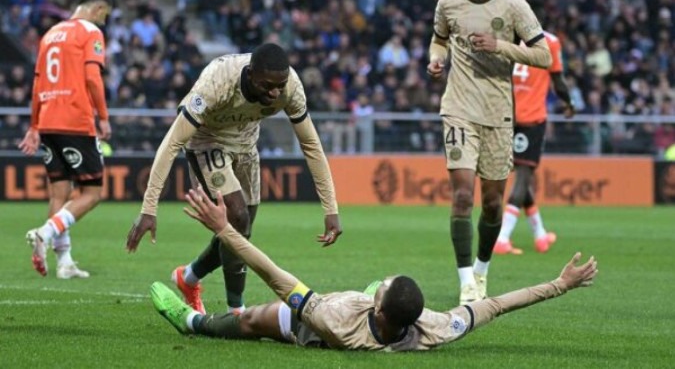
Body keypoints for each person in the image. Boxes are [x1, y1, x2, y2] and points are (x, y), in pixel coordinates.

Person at [150, 185, 597, 351]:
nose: (383, 282)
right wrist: (558, 284)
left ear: (380, 309)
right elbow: (496, 304)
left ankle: (190, 321)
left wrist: (227, 231)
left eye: (383, 289)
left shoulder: (334, 320)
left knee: (252, 320)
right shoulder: (435, 327)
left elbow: (276, 275)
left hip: (311, 323)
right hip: (366, 314)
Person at [126, 42, 342, 315]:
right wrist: (149, 208)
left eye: (280, 85)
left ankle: (189, 277)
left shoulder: (290, 87)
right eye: (267, 85)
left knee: (243, 229)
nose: (275, 92)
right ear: (250, 74)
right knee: (237, 218)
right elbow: (171, 143)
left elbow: (312, 145)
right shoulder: (217, 80)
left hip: (247, 145)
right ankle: (236, 311)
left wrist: (331, 208)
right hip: (207, 142)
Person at [426, 0, 553, 305]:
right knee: (463, 195)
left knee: (494, 203)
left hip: (498, 115)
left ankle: (482, 270)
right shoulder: (448, 3)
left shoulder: (514, 6)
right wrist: (436, 59)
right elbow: (439, 39)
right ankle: (466, 282)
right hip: (458, 109)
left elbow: (544, 56)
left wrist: (501, 46)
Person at [20, 0, 113, 279]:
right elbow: (92, 77)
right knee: (93, 192)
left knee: (60, 192)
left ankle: (64, 263)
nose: (103, 22)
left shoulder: (50, 35)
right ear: (98, 9)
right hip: (75, 119)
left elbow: (36, 84)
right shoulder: (90, 32)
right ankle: (45, 233)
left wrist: (34, 125)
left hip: (47, 120)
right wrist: (104, 117)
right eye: (105, 16)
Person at [494, 31, 575, 255]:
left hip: (506, 116)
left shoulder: (506, 38)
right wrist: (569, 103)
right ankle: (502, 238)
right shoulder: (550, 42)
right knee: (523, 176)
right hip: (531, 119)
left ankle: (540, 235)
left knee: (524, 175)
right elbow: (558, 80)